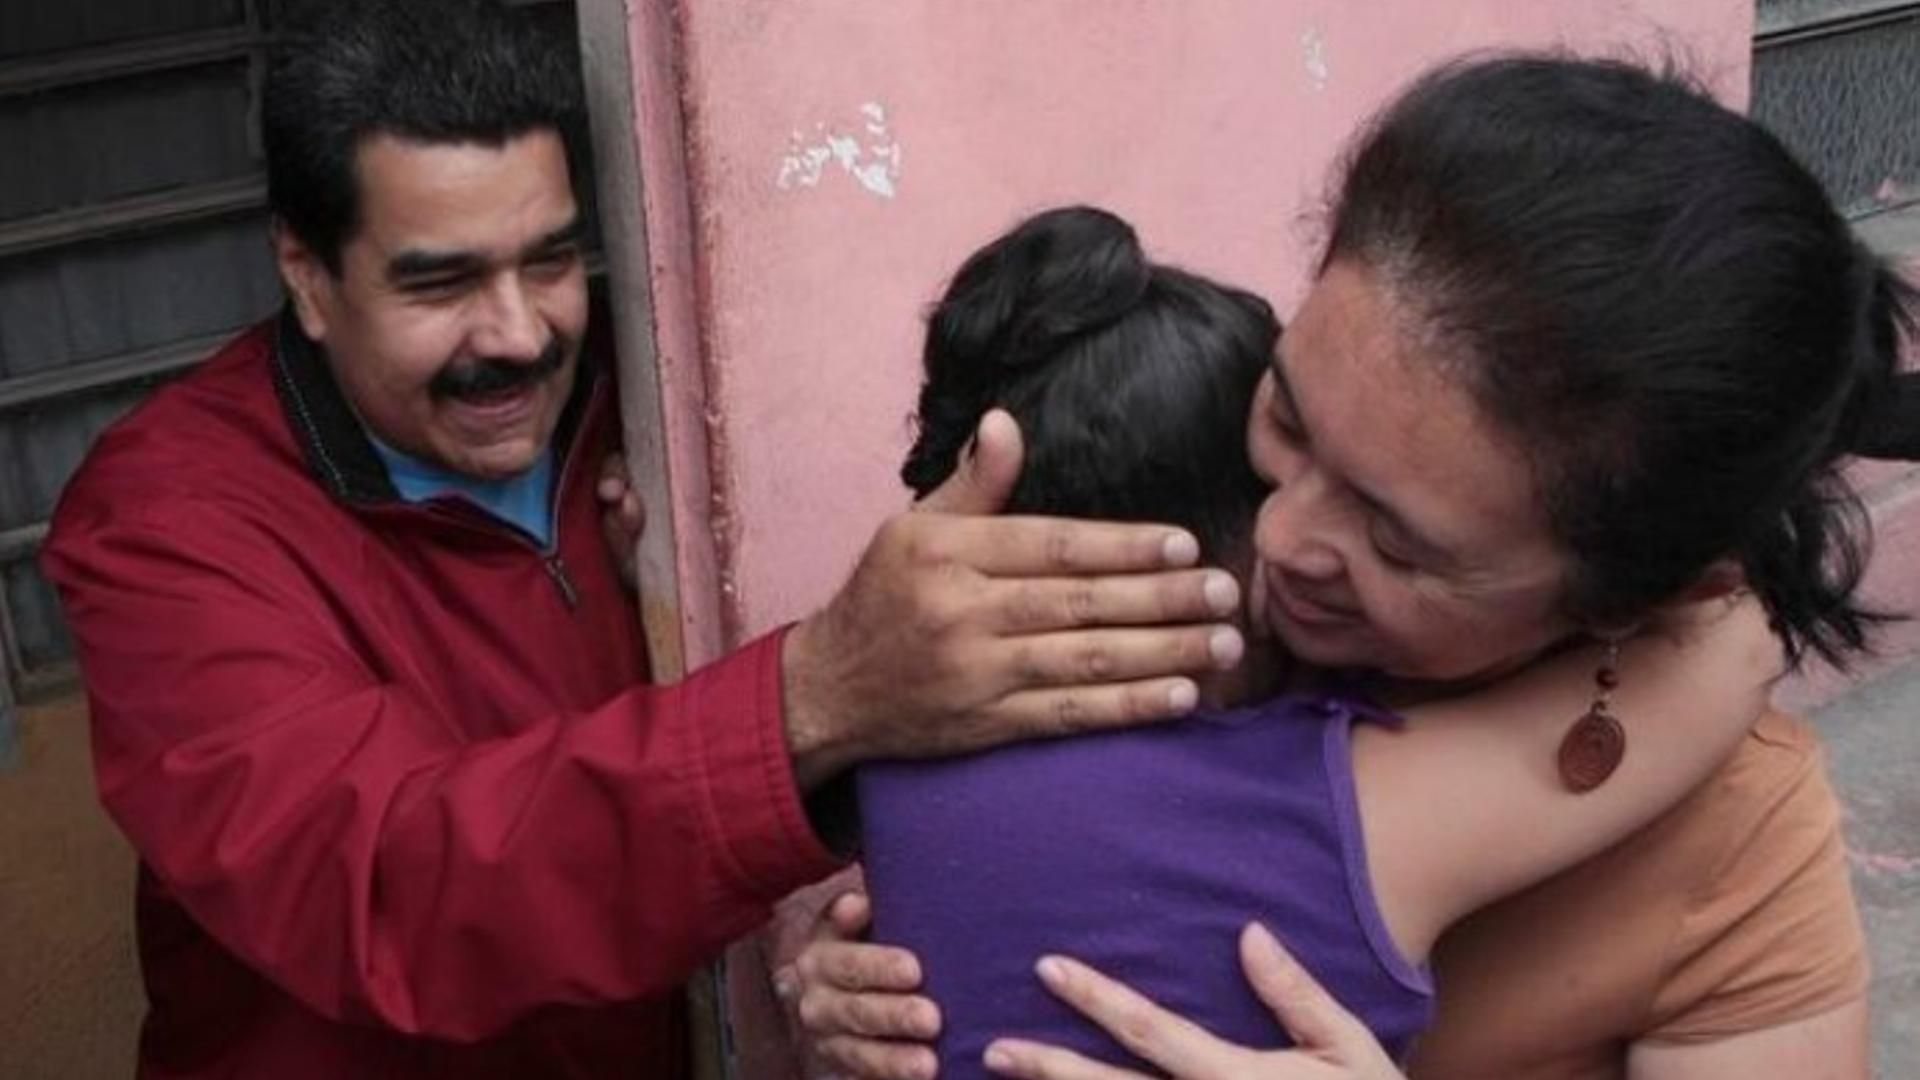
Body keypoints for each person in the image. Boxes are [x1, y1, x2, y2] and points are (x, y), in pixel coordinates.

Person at [36, 3, 1247, 1077]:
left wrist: (818, 933)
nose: (516, 333)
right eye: (440, 282)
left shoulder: (642, 398)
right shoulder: (167, 522)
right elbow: (385, 886)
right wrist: (808, 695)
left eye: (552, 259)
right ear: (306, 274)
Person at [787, 55, 1919, 1080]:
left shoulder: (1739, 842)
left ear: (1639, 593)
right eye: (1287, 412)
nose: (1278, 542)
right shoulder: (1160, 617)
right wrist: (854, 981)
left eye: (1395, 540)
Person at [856, 205, 1774, 1079]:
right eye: (1285, 445)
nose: (1295, 544)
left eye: (1388, 529)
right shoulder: (1334, 810)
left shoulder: (886, 760)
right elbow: (1733, 650)